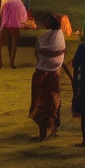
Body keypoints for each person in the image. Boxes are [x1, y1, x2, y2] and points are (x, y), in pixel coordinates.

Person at [30, 12, 73, 141]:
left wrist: (42, 60)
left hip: (42, 73)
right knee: (54, 101)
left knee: (41, 102)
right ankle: (53, 128)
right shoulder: (60, 36)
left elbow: (37, 54)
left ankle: (43, 131)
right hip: (55, 74)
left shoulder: (42, 38)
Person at [0, 0, 28, 68]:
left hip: (7, 25)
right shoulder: (18, 2)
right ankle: (12, 62)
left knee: (9, 42)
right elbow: (23, 13)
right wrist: (23, 22)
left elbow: (2, 14)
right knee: (14, 44)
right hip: (15, 25)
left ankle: (9, 58)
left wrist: (3, 24)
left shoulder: (5, 1)